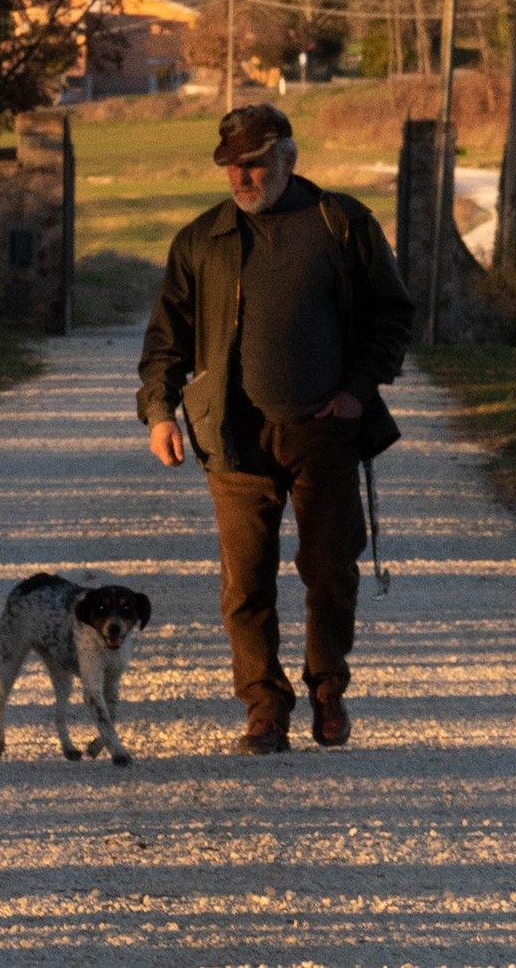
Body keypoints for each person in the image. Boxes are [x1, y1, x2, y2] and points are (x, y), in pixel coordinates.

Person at [136, 104, 415, 755]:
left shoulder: (341, 224)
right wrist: (159, 412)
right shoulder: (200, 241)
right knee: (245, 583)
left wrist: (356, 391)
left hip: (324, 433)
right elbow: (165, 341)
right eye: (231, 165)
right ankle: (265, 708)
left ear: (288, 157)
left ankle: (328, 692)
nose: (241, 176)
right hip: (232, 436)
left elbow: (392, 316)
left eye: (254, 163)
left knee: (330, 571)